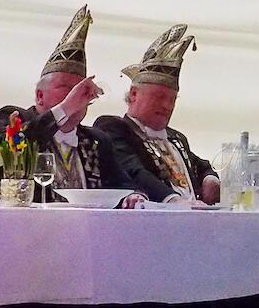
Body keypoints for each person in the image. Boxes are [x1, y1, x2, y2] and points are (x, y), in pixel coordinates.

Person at [0, 5, 111, 201]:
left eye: (80, 90)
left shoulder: (96, 140)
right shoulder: (11, 118)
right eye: (66, 88)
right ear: (39, 96)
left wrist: (134, 196)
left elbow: (122, 185)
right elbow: (2, 155)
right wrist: (65, 108)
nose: (75, 95)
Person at [93, 25, 219, 204]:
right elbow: (134, 171)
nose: (167, 106)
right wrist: (174, 201)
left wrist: (210, 179)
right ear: (134, 94)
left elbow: (203, 166)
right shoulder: (113, 128)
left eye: (172, 99)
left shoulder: (176, 138)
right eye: (159, 97)